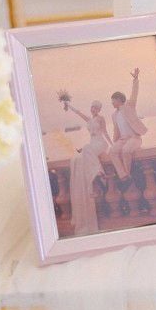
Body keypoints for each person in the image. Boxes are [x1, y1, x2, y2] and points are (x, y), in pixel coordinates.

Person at [63, 99, 109, 236]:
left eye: (95, 108)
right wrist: (68, 105)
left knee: (86, 149)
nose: (93, 109)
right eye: (92, 107)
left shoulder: (101, 119)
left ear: (99, 109)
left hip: (100, 143)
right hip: (92, 143)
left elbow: (105, 132)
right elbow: (78, 113)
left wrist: (112, 145)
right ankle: (95, 175)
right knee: (79, 157)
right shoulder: (90, 119)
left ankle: (99, 172)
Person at [110, 67, 147, 182]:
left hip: (134, 138)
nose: (112, 103)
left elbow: (134, 93)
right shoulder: (114, 115)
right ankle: (122, 175)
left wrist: (135, 79)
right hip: (122, 139)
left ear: (119, 100)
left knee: (126, 150)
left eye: (113, 100)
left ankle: (127, 174)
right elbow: (116, 130)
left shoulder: (129, 106)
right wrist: (115, 141)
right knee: (112, 151)